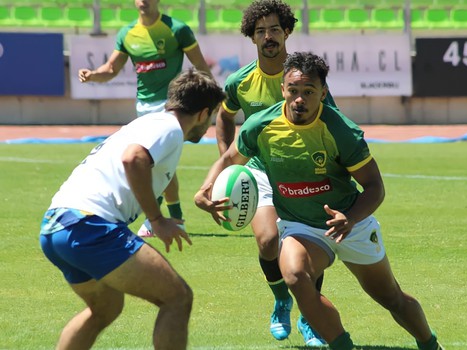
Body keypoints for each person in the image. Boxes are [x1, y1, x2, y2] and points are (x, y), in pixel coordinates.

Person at [195, 52, 444, 350]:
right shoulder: (260, 125)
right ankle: (342, 345)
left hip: (351, 221)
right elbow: (229, 158)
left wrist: (349, 219)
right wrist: (205, 189)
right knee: (295, 275)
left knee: (391, 297)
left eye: (309, 92)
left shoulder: (341, 130)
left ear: (323, 93)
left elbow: (375, 187)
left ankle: (430, 344)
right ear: (284, 89)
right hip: (301, 226)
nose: (300, 99)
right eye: (294, 91)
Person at [40, 68, 226, 350]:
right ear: (203, 113)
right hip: (89, 227)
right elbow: (133, 159)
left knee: (106, 307)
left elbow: (156, 172)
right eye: (211, 116)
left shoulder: (151, 124)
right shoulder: (171, 129)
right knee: (177, 298)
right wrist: (157, 219)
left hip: (56, 226)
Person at [215, 0, 336, 345]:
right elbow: (224, 117)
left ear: (287, 32)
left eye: (274, 30)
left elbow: (331, 122)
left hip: (304, 172)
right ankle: (282, 299)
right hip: (260, 173)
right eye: (260, 31)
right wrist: (227, 163)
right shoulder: (240, 81)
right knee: (268, 242)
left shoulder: (306, 77)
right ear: (251, 37)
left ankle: (310, 317)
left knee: (309, 244)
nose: (268, 36)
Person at [78, 0, 213, 237]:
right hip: (143, 107)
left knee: (159, 164)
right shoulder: (128, 33)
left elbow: (200, 64)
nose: (144, 0)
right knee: (160, 165)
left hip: (171, 108)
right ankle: (175, 217)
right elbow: (111, 69)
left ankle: (158, 219)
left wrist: (211, 98)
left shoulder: (177, 29)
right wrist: (92, 75)